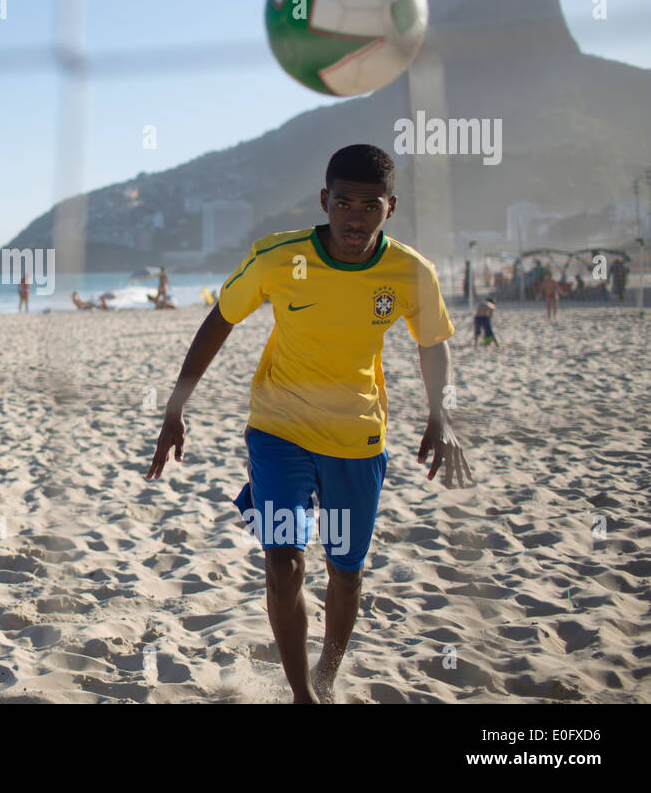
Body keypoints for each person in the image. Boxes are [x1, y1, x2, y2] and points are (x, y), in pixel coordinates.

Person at [147, 144, 473, 704]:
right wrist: (176, 407)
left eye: (370, 206)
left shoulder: (409, 271)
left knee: (345, 570)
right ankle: (304, 696)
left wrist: (439, 413)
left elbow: (433, 343)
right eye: (343, 202)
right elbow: (219, 320)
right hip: (279, 430)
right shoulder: (280, 258)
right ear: (324, 201)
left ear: (389, 208)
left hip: (357, 440)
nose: (355, 216)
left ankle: (326, 671)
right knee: (286, 560)